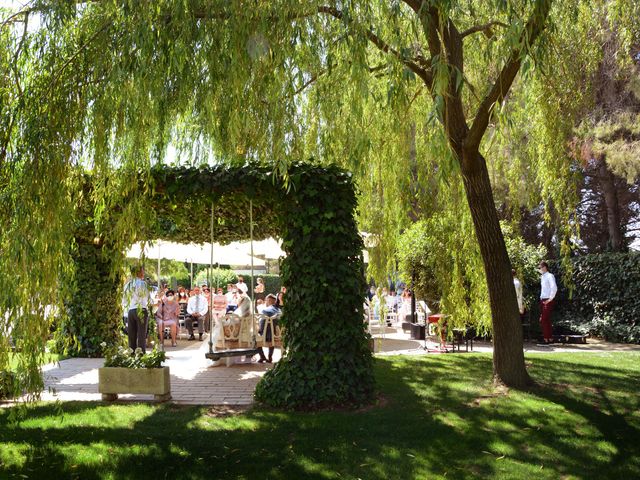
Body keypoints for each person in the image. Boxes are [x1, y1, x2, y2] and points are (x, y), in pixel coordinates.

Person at [122, 266, 152, 353]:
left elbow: (124, 300)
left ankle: (131, 354)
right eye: (143, 271)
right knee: (141, 335)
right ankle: (141, 355)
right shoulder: (143, 284)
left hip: (130, 310)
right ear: (138, 272)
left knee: (131, 335)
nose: (144, 273)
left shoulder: (127, 285)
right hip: (141, 310)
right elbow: (146, 298)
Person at [257, 294, 281, 363]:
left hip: (267, 336)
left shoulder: (265, 311)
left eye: (266, 300)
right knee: (270, 331)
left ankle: (262, 356)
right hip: (278, 334)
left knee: (254, 336)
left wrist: (258, 331)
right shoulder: (279, 310)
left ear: (269, 300)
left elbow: (261, 325)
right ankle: (270, 357)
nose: (265, 302)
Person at [538, 261, 557, 345]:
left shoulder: (550, 276)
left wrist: (550, 299)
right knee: (547, 320)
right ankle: (549, 339)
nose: (540, 269)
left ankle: (546, 339)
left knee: (543, 320)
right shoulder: (543, 277)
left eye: (541, 267)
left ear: (545, 267)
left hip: (547, 300)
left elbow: (554, 287)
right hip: (542, 299)